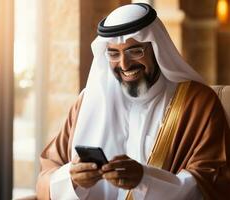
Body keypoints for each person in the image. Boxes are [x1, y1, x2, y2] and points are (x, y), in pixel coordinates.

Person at [36, 3, 230, 200]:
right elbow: (47, 173)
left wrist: (145, 180)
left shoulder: (197, 102)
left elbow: (211, 180)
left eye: (135, 51)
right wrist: (73, 179)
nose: (124, 64)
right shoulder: (88, 102)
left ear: (156, 49)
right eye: (113, 54)